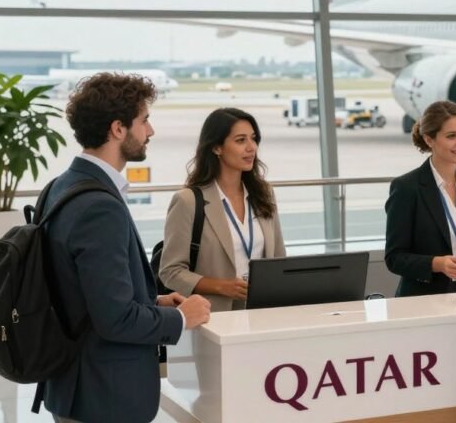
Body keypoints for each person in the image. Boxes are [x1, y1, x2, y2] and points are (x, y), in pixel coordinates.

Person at [42, 73, 211, 423]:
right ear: (118, 129)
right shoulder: (98, 207)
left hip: (73, 385)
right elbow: (115, 320)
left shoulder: (59, 187)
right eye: (144, 120)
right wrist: (181, 317)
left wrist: (152, 300)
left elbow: (80, 292)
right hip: (104, 397)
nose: (150, 131)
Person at [160, 108, 287, 312]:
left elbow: (280, 260)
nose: (251, 147)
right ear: (217, 147)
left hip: (262, 312)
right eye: (240, 140)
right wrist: (222, 286)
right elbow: (170, 271)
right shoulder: (188, 201)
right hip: (213, 316)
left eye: (253, 139)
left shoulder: (264, 194)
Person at [384, 101, 456, 297]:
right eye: (451, 136)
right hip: (427, 297)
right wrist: (437, 264)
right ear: (429, 139)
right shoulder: (407, 187)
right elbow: (394, 258)